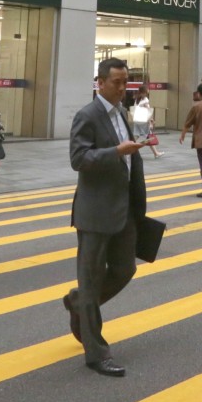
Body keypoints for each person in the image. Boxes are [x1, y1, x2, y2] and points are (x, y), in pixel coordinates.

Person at [63, 58, 147, 377]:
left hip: (124, 209)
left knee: (125, 269)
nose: (123, 89)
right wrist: (116, 152)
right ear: (100, 82)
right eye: (117, 83)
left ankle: (79, 302)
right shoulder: (88, 115)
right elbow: (78, 158)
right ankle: (97, 353)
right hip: (95, 212)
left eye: (127, 82)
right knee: (92, 279)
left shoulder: (122, 114)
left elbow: (130, 156)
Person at [132, 86, 163, 159]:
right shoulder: (145, 100)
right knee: (148, 136)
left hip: (137, 120)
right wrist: (151, 121)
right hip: (143, 121)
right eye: (146, 92)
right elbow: (148, 111)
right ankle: (156, 153)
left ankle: (128, 148)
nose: (147, 92)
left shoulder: (137, 100)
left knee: (136, 135)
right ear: (143, 92)